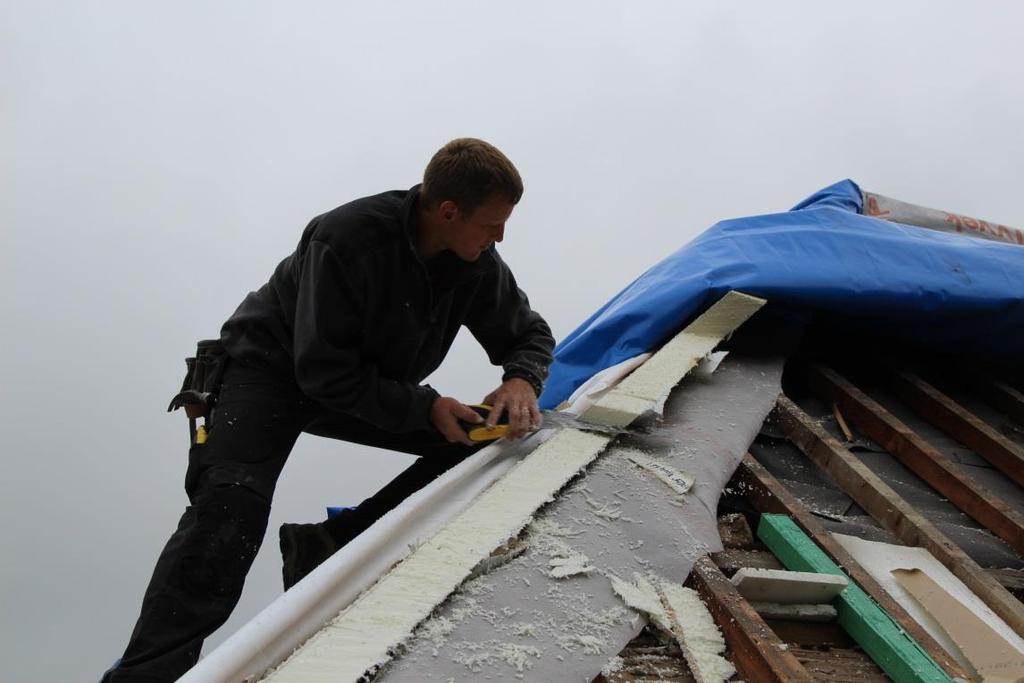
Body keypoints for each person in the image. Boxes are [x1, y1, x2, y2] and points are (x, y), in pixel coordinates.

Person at [101, 138, 555, 682]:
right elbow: (321, 370)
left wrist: (521, 380)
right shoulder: (347, 238)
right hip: (267, 372)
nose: (500, 237)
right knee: (230, 510)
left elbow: (528, 332)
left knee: (477, 443)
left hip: (356, 383)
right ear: (448, 211)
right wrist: (426, 405)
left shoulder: (476, 262)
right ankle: (145, 676)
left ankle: (332, 546)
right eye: (492, 224)